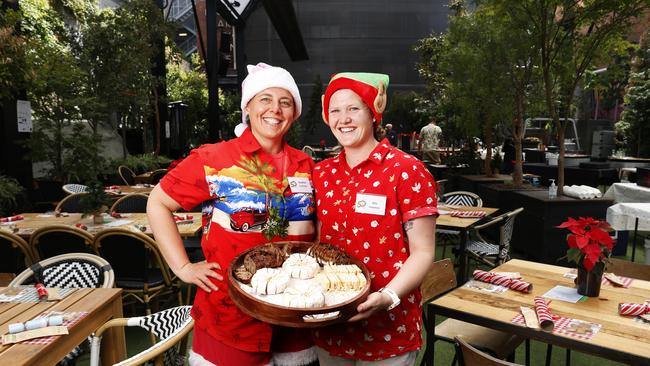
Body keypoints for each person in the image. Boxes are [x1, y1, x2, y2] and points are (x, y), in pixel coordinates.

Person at [147, 63, 317, 366]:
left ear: (295, 112)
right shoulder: (214, 159)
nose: (275, 110)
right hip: (232, 314)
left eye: (285, 102)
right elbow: (158, 203)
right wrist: (183, 268)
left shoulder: (306, 165)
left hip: (295, 313)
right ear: (247, 107)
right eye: (265, 99)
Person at [313, 72, 438, 365]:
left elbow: (423, 252)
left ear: (373, 113)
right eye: (335, 110)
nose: (343, 118)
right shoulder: (322, 174)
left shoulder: (407, 170)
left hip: (388, 330)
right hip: (331, 324)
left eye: (353, 109)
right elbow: (318, 240)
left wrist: (389, 297)